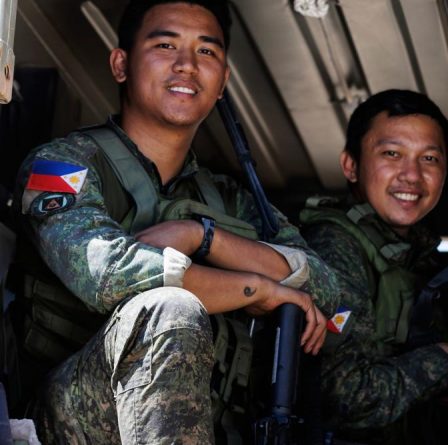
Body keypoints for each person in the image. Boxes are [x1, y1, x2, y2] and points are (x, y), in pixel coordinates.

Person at [10, 0, 340, 442]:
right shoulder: (63, 165)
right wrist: (256, 287)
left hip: (198, 426)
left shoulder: (229, 200)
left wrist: (202, 237)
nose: (186, 66)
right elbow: (106, 274)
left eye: (206, 52)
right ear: (121, 64)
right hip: (73, 416)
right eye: (166, 45)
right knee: (171, 307)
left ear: (222, 82)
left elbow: (324, 288)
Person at [298, 89, 448, 444]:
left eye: (430, 159)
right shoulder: (333, 245)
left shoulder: (416, 255)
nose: (412, 175)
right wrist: (445, 362)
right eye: (392, 154)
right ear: (351, 165)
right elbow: (342, 398)